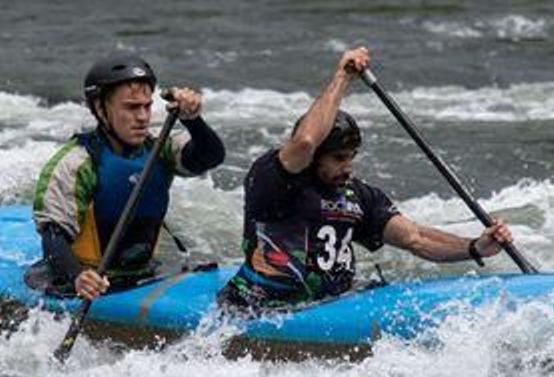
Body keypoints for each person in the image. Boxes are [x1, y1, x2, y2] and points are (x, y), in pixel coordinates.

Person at [219, 45, 514, 310]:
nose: (348, 168)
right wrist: (343, 76)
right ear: (314, 157)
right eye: (338, 158)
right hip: (262, 309)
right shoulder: (273, 179)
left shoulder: (357, 195)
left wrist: (475, 247)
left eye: (352, 157)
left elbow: (416, 239)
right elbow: (306, 140)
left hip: (330, 306)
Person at [29, 52, 225, 300]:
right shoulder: (76, 163)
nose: (143, 117)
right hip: (85, 279)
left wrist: (193, 121)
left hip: (143, 274)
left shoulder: (160, 146)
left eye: (147, 106)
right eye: (131, 107)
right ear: (101, 109)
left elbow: (210, 157)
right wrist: (78, 276)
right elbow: (53, 236)